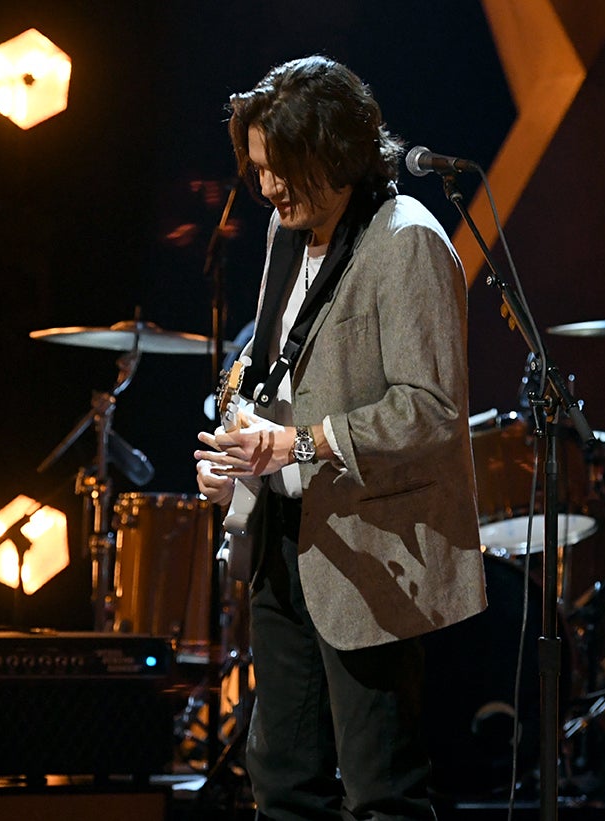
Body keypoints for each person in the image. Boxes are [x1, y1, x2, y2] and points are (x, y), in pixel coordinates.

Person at [194, 56, 486, 820]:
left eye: (282, 170)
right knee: (282, 784)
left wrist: (296, 444)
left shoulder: (405, 240)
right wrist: (235, 441)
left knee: (381, 790)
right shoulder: (283, 229)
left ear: (339, 152)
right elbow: (276, 357)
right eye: (258, 169)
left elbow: (430, 409)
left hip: (373, 549)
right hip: (284, 538)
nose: (267, 187)